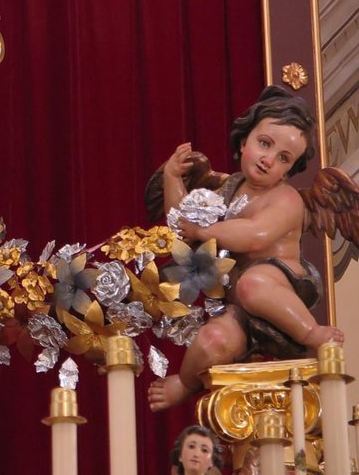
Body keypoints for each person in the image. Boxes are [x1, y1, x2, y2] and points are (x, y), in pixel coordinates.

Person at [148, 86, 346, 411]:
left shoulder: (286, 199)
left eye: (284, 158)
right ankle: (185, 382)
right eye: (264, 144)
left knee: (253, 283)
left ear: (289, 170)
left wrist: (205, 230)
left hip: (279, 288)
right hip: (239, 306)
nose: (269, 160)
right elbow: (182, 228)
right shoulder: (228, 188)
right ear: (244, 142)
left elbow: (255, 235)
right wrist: (172, 178)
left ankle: (312, 333)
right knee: (211, 341)